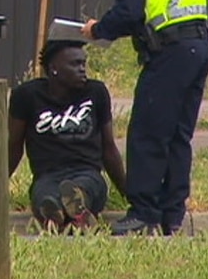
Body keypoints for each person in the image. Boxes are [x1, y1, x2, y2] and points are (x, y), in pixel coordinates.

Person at [81, 0, 208, 236]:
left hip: (170, 53)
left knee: (147, 132)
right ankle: (173, 215)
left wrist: (99, 30)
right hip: (198, 48)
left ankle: (143, 213)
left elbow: (130, 10)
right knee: (178, 136)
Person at [8, 40, 126, 230]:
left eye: (83, 64)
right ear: (54, 68)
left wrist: (127, 192)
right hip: (48, 174)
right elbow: (13, 145)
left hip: (87, 172)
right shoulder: (27, 95)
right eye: (75, 64)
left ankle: (71, 211)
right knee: (44, 195)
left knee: (84, 188)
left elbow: (109, 148)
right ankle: (62, 214)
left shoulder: (95, 92)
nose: (82, 69)